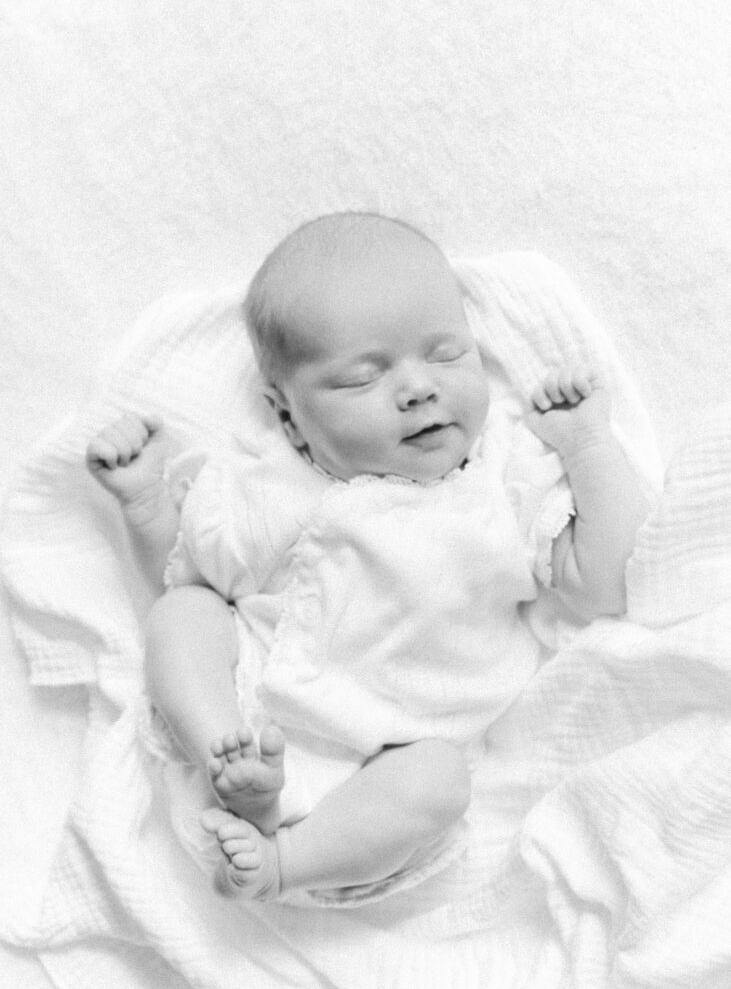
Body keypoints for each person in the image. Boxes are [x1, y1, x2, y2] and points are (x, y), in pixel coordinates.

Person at [86, 211, 650, 903]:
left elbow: (604, 584)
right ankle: (224, 760)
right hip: (252, 712)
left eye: (446, 354)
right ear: (288, 414)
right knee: (185, 610)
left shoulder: (504, 473)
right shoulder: (267, 482)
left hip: (393, 760)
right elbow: (180, 575)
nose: (416, 388)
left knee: (441, 783)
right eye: (361, 378)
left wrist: (586, 446)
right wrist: (147, 508)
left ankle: (286, 859)